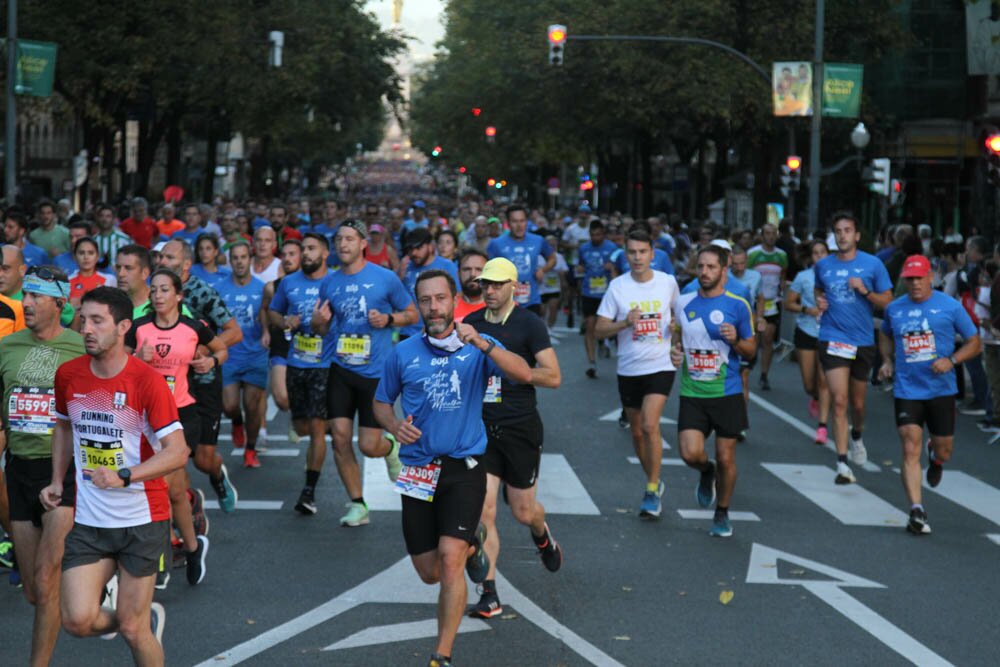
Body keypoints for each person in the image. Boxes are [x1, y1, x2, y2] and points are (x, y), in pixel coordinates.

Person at [373, 269, 532, 667]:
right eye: (425, 300)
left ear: (455, 299)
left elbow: (523, 373)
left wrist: (483, 344)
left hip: (465, 464)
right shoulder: (403, 352)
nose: (433, 307)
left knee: (449, 560)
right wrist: (394, 425)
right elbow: (380, 402)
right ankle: (476, 540)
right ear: (419, 304)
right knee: (428, 571)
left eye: (440, 299)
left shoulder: (475, 344)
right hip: (418, 470)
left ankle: (441, 654)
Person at [41, 287, 189, 664]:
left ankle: (135, 622)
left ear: (123, 326)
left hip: (141, 518)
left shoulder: (146, 381)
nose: (85, 328)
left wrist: (125, 475)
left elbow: (178, 451)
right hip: (90, 521)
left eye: (97, 320)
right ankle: (137, 618)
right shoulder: (69, 375)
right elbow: (62, 427)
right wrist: (58, 480)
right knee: (76, 619)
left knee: (131, 629)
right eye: (82, 318)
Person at [462, 258, 563, 619]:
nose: (489, 290)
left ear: (514, 287)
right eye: (485, 284)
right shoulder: (470, 324)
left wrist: (515, 370)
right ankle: (489, 594)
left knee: (523, 511)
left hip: (520, 428)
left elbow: (553, 377)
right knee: (484, 509)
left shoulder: (529, 325)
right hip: (481, 430)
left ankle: (542, 533)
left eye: (497, 284)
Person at [0, 266, 83, 665]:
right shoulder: (7, 345)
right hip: (18, 469)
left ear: (59, 303)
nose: (26, 303)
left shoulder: (80, 346)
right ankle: (112, 613)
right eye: (25, 296)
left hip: (63, 472)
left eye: (35, 297)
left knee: (47, 583)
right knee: (34, 591)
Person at [311, 220, 417, 526]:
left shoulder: (384, 279)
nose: (343, 245)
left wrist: (389, 318)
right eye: (339, 239)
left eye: (349, 239)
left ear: (362, 244)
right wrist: (318, 321)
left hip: (375, 373)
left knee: (369, 446)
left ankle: (391, 447)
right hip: (341, 368)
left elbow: (411, 313)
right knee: (340, 438)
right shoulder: (330, 282)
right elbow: (320, 329)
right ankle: (357, 503)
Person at [126, 269, 223, 585]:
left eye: (164, 289)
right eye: (153, 290)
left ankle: (161, 559)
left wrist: (211, 361)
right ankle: (194, 548)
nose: (157, 295)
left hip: (182, 415)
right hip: (147, 417)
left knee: (163, 485)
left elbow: (221, 347)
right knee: (178, 492)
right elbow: (120, 367)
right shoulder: (138, 328)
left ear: (179, 295)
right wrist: (137, 359)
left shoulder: (193, 328)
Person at [878, 255, 981, 534]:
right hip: (907, 388)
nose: (914, 284)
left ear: (931, 277)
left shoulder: (950, 307)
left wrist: (952, 361)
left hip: (941, 390)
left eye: (919, 278)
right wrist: (887, 360)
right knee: (910, 444)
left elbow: (975, 343)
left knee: (945, 449)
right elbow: (885, 334)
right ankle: (916, 510)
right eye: (909, 279)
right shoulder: (895, 309)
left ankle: (935, 459)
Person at [671, 245, 756, 537]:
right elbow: (678, 339)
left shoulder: (738, 304)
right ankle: (706, 473)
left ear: (724, 269)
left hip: (727, 391)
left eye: (710, 267)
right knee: (690, 453)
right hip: (693, 391)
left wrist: (736, 342)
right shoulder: (683, 303)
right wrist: (674, 353)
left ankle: (722, 512)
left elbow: (751, 349)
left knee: (727, 458)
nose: (704, 272)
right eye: (701, 267)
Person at [595, 229, 681, 517]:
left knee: (648, 424)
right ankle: (653, 480)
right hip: (629, 368)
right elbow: (598, 329)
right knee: (636, 432)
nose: (637, 257)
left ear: (652, 254)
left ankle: (652, 488)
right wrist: (624, 324)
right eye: (632, 252)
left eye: (642, 252)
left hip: (660, 364)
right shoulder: (617, 287)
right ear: (625, 255)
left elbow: (679, 319)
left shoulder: (667, 283)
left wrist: (676, 334)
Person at [157, 240, 241, 512]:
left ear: (185, 265)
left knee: (203, 459)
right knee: (173, 455)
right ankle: (186, 503)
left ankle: (217, 477)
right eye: (160, 257)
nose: (162, 262)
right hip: (169, 386)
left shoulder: (202, 293)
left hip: (202, 382)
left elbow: (233, 331)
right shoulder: (154, 295)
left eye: (169, 258)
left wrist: (205, 348)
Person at [814, 212, 893, 484]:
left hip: (862, 341)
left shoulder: (873, 265)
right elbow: (818, 291)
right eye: (838, 230)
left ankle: (857, 434)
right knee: (839, 400)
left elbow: (887, 302)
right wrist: (820, 303)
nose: (842, 235)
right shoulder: (823, 265)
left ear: (857, 235)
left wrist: (866, 292)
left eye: (848, 230)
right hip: (833, 336)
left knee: (858, 404)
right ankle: (842, 463)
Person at [267, 233, 340, 516]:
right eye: (304, 249)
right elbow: (273, 313)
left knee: (317, 428)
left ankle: (309, 491)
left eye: (311, 249)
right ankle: (336, 423)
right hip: (297, 363)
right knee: (302, 428)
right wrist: (285, 320)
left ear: (324, 253)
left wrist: (326, 325)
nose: (306, 254)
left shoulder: (335, 282)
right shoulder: (289, 283)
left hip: (326, 365)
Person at [215, 242, 269, 468]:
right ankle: (237, 423)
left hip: (255, 354)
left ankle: (250, 450)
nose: (239, 261)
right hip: (229, 355)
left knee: (253, 406)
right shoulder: (219, 288)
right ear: (230, 261)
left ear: (250, 259)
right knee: (229, 406)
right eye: (235, 257)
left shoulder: (262, 288)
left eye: (243, 257)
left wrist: (267, 332)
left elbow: (268, 315)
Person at [785, 240, 832, 444]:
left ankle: (822, 426)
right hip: (806, 330)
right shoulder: (803, 277)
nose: (819, 256)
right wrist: (807, 310)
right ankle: (814, 397)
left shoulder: (835, 276)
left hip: (829, 333)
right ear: (810, 257)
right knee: (809, 383)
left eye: (823, 252)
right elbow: (789, 303)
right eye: (815, 253)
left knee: (824, 380)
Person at [486, 205, 555, 316]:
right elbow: (487, 271)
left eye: (522, 221)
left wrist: (543, 270)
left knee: (533, 333)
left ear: (527, 222)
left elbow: (552, 258)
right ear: (508, 223)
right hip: (506, 301)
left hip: (532, 300)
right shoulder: (496, 244)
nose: (519, 226)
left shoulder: (537, 240)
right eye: (515, 221)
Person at [262, 240, 302, 423]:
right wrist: (266, 331)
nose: (287, 258)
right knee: (282, 398)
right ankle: (298, 416)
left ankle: (302, 419)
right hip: (281, 345)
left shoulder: (316, 284)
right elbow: (264, 309)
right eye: (284, 255)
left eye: (292, 254)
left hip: (306, 347)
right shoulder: (272, 287)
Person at [747, 224, 788, 390]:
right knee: (754, 338)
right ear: (762, 235)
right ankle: (749, 364)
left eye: (773, 234)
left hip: (772, 302)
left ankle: (764, 374)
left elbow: (783, 276)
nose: (770, 237)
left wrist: (782, 290)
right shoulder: (753, 254)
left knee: (768, 338)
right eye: (767, 234)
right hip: (755, 302)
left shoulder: (782, 255)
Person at [399, 227, 460, 340]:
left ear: (430, 246)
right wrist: (399, 275)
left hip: (436, 331)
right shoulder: (405, 266)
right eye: (410, 249)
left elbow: (457, 298)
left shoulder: (447, 266)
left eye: (418, 248)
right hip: (407, 332)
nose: (414, 253)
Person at [578, 220, 618, 379]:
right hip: (589, 292)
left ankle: (604, 341)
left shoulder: (612, 249)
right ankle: (591, 362)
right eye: (593, 235)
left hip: (606, 293)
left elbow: (619, 268)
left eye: (599, 234)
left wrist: (612, 268)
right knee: (590, 326)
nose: (596, 237)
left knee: (605, 326)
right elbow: (580, 266)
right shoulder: (583, 248)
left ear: (604, 234)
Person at [68, 237, 118, 307]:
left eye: (90, 253)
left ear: (97, 256)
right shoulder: (67, 281)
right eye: (81, 253)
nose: (86, 257)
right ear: (75, 256)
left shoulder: (109, 280)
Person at [93, 203, 133, 268]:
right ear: (97, 218)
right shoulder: (93, 240)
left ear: (114, 219)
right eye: (101, 216)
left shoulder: (124, 239)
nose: (104, 219)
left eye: (108, 216)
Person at [453, 249, 488, 323]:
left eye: (478, 269)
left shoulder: (502, 307)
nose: (472, 274)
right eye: (467, 269)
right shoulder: (448, 306)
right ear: (458, 274)